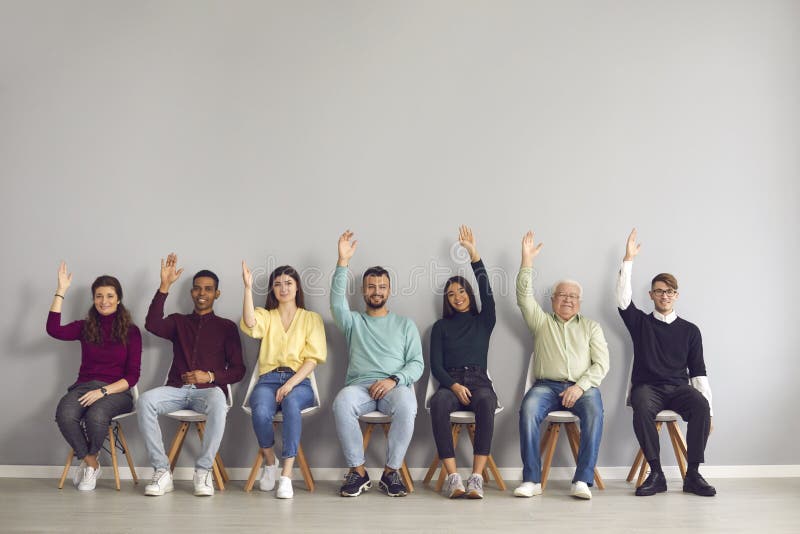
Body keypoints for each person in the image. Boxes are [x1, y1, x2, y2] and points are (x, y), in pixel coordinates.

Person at [616, 228, 715, 497]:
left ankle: (693, 474)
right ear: (651, 295)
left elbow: (698, 372)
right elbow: (623, 300)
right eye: (659, 291)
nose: (665, 295)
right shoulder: (640, 324)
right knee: (641, 403)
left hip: (679, 389)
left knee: (700, 406)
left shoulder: (690, 330)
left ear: (676, 295)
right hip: (648, 388)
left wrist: (710, 411)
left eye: (670, 291)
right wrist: (628, 259)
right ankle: (656, 473)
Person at [137, 253, 245, 497]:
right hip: (176, 390)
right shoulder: (178, 322)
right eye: (197, 289)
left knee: (218, 399)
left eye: (208, 289)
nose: (202, 293)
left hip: (208, 392)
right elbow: (152, 324)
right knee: (145, 401)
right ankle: (162, 472)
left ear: (217, 293)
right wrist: (164, 287)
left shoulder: (227, 327)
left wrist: (210, 376)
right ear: (191, 293)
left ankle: (203, 471)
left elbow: (239, 370)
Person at [513, 231, 610, 500]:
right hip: (546, 386)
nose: (568, 299)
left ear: (579, 302)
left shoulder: (591, 327)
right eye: (562, 295)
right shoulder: (541, 322)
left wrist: (580, 387)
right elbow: (523, 297)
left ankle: (582, 480)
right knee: (528, 410)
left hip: (583, 388)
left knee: (595, 413)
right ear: (553, 300)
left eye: (573, 296)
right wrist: (526, 262)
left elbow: (602, 364)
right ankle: (532, 479)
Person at [330, 230, 424, 497]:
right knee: (341, 403)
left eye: (382, 286)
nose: (376, 291)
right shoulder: (353, 322)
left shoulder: (405, 325)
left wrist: (393, 380)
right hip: (359, 388)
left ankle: (391, 472)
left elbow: (416, 364)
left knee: (408, 405)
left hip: (393, 388)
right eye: (371, 286)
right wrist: (342, 262)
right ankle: (358, 473)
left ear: (389, 290)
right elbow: (337, 303)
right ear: (363, 290)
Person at [47, 262, 141, 491]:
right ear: (94, 299)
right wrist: (61, 291)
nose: (104, 301)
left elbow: (132, 376)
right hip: (84, 387)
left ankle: (88, 466)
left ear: (118, 299)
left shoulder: (131, 331)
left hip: (116, 391)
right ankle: (92, 463)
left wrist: (103, 391)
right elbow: (53, 329)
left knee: (96, 415)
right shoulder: (85, 326)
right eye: (99, 296)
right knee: (65, 414)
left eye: (110, 295)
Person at [240, 262, 327, 499]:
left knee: (290, 405)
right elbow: (250, 324)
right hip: (267, 380)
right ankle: (271, 462)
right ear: (272, 290)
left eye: (288, 283)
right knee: (259, 410)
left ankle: (286, 477)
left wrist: (290, 384)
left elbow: (312, 360)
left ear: (297, 287)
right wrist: (247, 288)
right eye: (277, 284)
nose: (283, 288)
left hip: (299, 382)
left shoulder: (311, 318)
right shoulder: (266, 316)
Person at [429, 225, 498, 499]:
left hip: (479, 380)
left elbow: (487, 291)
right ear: (447, 300)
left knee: (486, 402)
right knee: (439, 403)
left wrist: (474, 255)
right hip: (451, 381)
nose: (457, 297)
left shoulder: (484, 320)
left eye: (461, 292)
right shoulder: (440, 327)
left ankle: (477, 478)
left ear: (469, 293)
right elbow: (436, 366)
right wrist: (454, 386)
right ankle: (454, 477)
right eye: (451, 295)